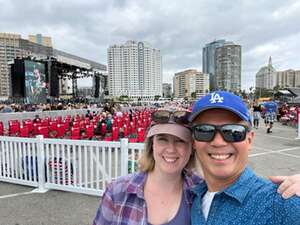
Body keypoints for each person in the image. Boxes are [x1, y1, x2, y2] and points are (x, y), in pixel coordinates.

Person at [189, 91, 300, 224]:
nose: (218, 142)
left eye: (233, 131)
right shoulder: (193, 198)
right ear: (194, 142)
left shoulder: (281, 202)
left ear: (249, 140)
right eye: (204, 130)